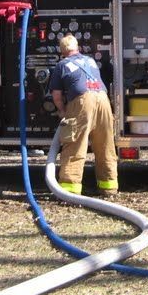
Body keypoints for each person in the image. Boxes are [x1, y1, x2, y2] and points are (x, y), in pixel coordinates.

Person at [49, 34, 118, 196]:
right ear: (78, 48)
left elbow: (57, 96)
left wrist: (63, 111)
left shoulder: (62, 65)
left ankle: (69, 189)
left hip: (82, 101)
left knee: (75, 143)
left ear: (62, 51)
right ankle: (109, 186)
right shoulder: (91, 61)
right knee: (105, 144)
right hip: (103, 99)